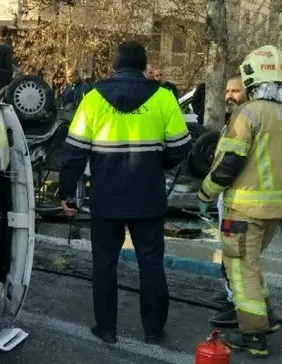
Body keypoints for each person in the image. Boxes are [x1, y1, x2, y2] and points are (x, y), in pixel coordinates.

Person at [58, 41, 192, 345]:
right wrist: (159, 162)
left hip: (106, 199)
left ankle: (107, 329)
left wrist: (67, 193)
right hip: (148, 197)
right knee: (151, 262)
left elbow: (74, 153)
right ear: (144, 67)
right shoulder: (164, 97)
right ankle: (153, 330)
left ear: (115, 66)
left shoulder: (92, 99)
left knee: (104, 263)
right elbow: (181, 147)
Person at [197, 45, 282, 358]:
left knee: (239, 269)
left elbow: (229, 162)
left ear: (251, 80)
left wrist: (206, 193)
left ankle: (254, 336)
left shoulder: (248, 114)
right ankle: (266, 318)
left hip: (244, 210)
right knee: (251, 266)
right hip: (272, 211)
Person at [208, 73, 249, 327]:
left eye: (234, 91)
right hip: (228, 194)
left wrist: (207, 192)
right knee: (227, 249)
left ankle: (237, 304)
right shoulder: (235, 119)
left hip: (240, 197)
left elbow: (232, 161)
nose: (228, 96)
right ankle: (230, 293)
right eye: (226, 91)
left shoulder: (247, 120)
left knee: (236, 253)